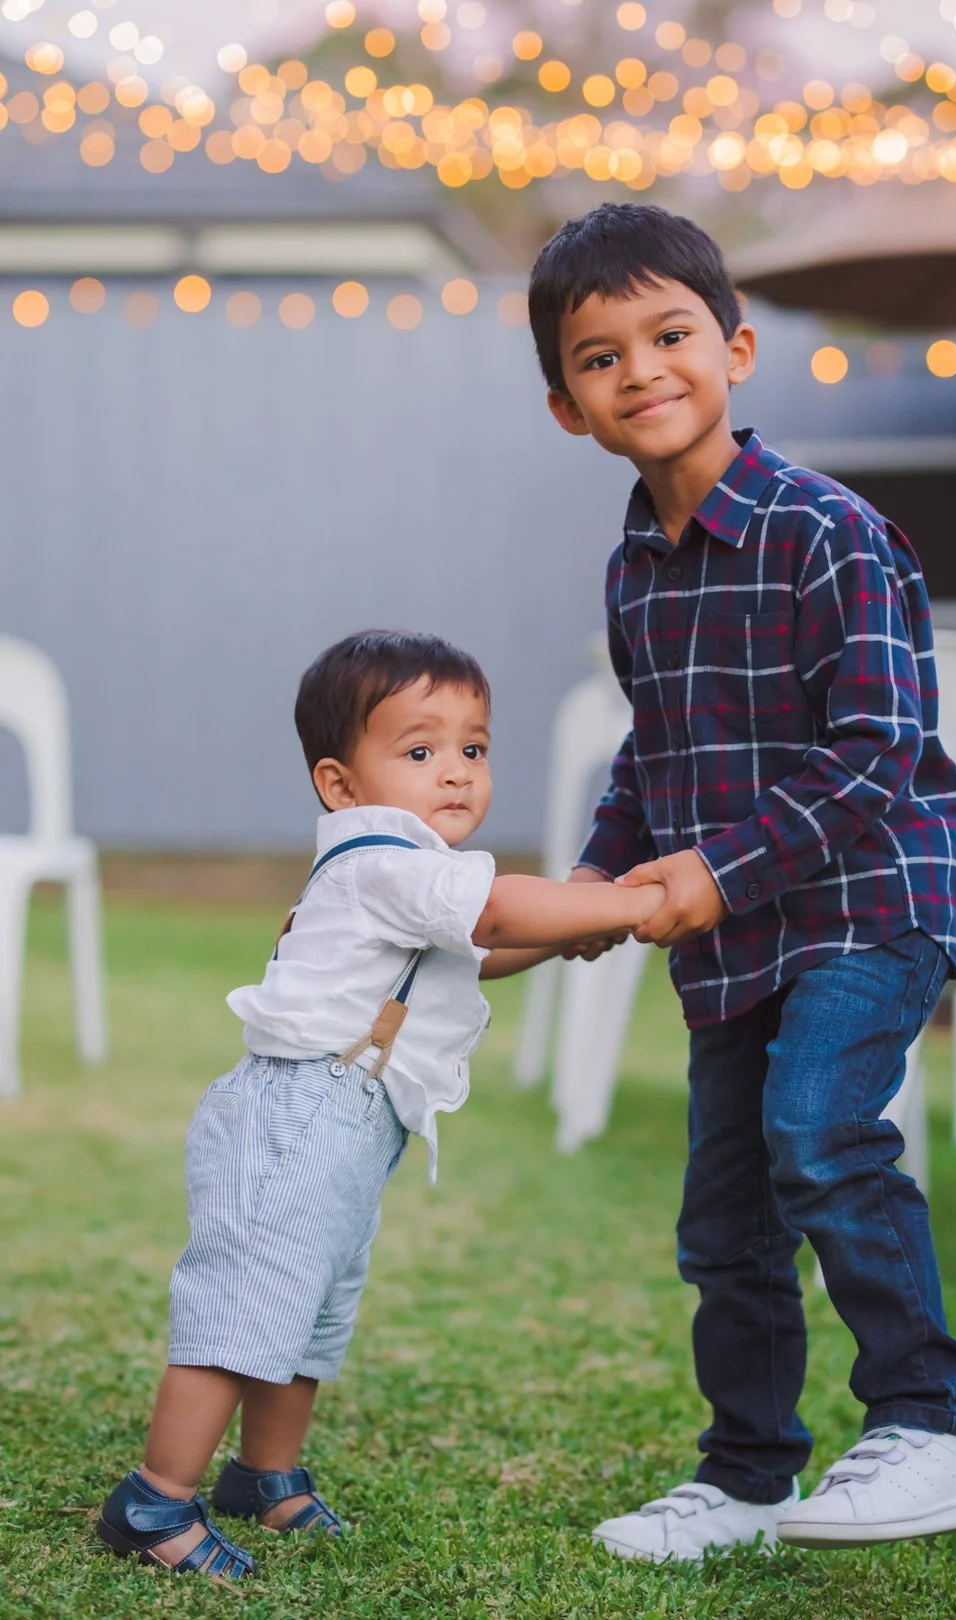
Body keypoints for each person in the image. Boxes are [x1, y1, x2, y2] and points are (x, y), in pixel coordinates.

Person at [527, 201, 956, 1558]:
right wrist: (583, 891)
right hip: (732, 935)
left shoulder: (830, 531)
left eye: (670, 335)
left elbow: (880, 753)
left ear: (735, 348)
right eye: (600, 357)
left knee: (817, 1128)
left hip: (869, 901)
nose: (643, 372)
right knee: (725, 1222)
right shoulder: (636, 571)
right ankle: (749, 1479)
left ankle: (932, 1427)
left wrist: (712, 871)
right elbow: (651, 751)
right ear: (569, 407)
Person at [97, 629, 664, 1582]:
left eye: (472, 750)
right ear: (341, 785)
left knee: (312, 1313)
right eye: (419, 750)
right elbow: (492, 916)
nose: (455, 773)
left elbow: (480, 950)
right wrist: (625, 905)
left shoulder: (414, 876)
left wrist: (566, 938)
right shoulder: (379, 855)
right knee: (242, 1311)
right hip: (294, 1118)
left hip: (350, 1129)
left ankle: (264, 1477)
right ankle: (153, 1499)